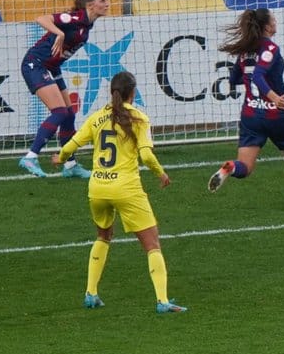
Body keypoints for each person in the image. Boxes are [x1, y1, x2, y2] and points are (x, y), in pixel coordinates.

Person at [53, 71, 185, 313]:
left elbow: (71, 145)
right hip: (126, 189)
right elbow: (146, 155)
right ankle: (162, 301)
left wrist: (60, 157)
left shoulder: (96, 117)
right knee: (152, 244)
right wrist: (161, 173)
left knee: (103, 236)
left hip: (98, 188)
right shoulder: (138, 118)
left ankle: (91, 293)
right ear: (132, 93)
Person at [206, 8, 284, 205]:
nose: (276, 22)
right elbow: (258, 76)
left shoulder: (245, 52)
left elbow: (234, 78)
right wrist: (273, 98)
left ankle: (230, 167)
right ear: (268, 26)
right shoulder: (270, 49)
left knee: (245, 166)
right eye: (274, 19)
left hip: (251, 114)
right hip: (275, 114)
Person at [18, 0, 111, 179]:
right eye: (103, 1)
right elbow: (41, 19)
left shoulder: (86, 25)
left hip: (52, 67)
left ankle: (70, 165)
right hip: (35, 64)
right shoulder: (75, 19)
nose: (107, 4)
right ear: (90, 5)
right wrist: (59, 34)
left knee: (69, 115)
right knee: (59, 111)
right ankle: (31, 156)